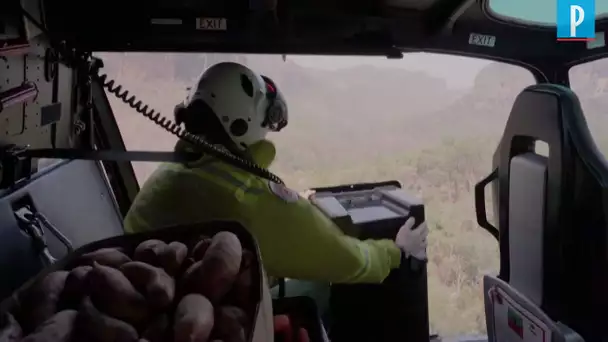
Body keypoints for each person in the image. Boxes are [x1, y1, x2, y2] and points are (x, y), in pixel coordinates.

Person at [124, 61, 429, 285]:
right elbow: (343, 259)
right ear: (242, 123)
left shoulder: (169, 173)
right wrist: (395, 251)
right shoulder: (250, 201)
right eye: (267, 119)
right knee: (316, 287)